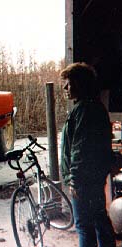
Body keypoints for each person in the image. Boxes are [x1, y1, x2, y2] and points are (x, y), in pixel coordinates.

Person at [60, 62, 116, 247]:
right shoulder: (95, 107)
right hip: (94, 178)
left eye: (69, 83)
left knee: (84, 226)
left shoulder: (83, 110)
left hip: (83, 181)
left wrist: (74, 180)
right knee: (100, 220)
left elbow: (79, 150)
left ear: (80, 84)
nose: (65, 87)